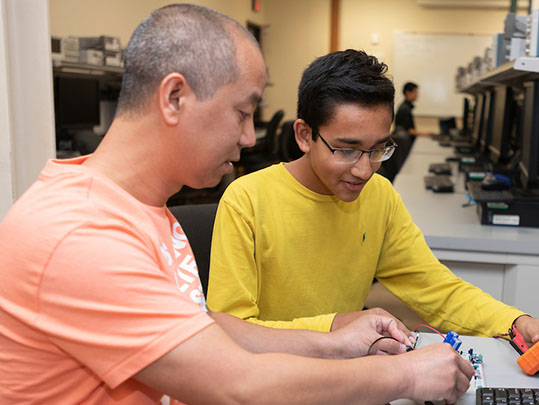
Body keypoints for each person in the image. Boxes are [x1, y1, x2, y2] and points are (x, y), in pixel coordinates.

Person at [0, 6, 474, 404]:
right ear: (174, 98)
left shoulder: (137, 211)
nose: (249, 138)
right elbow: (238, 385)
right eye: (242, 113)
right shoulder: (81, 234)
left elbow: (206, 328)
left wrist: (336, 342)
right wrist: (406, 376)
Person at [207, 49, 539, 370]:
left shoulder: (379, 196)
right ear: (304, 135)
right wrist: (337, 326)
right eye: (347, 149)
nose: (364, 170)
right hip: (271, 380)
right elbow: (230, 328)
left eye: (378, 149)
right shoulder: (247, 201)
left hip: (346, 376)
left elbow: (437, 289)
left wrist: (517, 323)